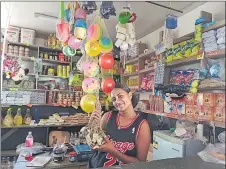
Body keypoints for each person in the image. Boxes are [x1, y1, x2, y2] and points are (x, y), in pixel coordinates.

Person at [88, 84, 151, 168]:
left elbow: (140, 162)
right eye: (114, 99)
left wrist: (113, 151)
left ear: (130, 95)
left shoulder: (142, 126)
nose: (117, 101)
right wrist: (92, 125)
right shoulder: (107, 117)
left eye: (120, 96)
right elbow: (94, 146)